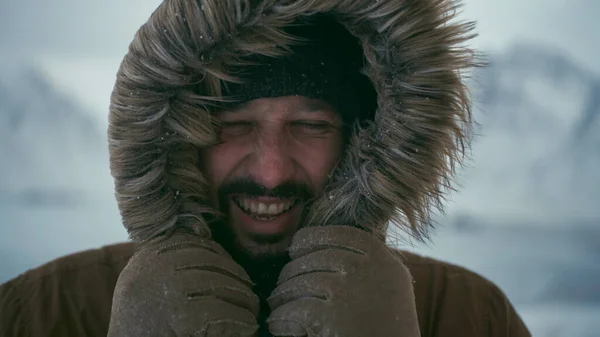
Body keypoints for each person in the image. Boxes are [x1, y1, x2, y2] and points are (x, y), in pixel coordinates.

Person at [0, 0, 532, 336]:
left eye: (312, 125)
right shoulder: (42, 312)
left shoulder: (469, 315)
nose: (273, 172)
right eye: (232, 124)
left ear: (364, 140)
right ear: (173, 140)